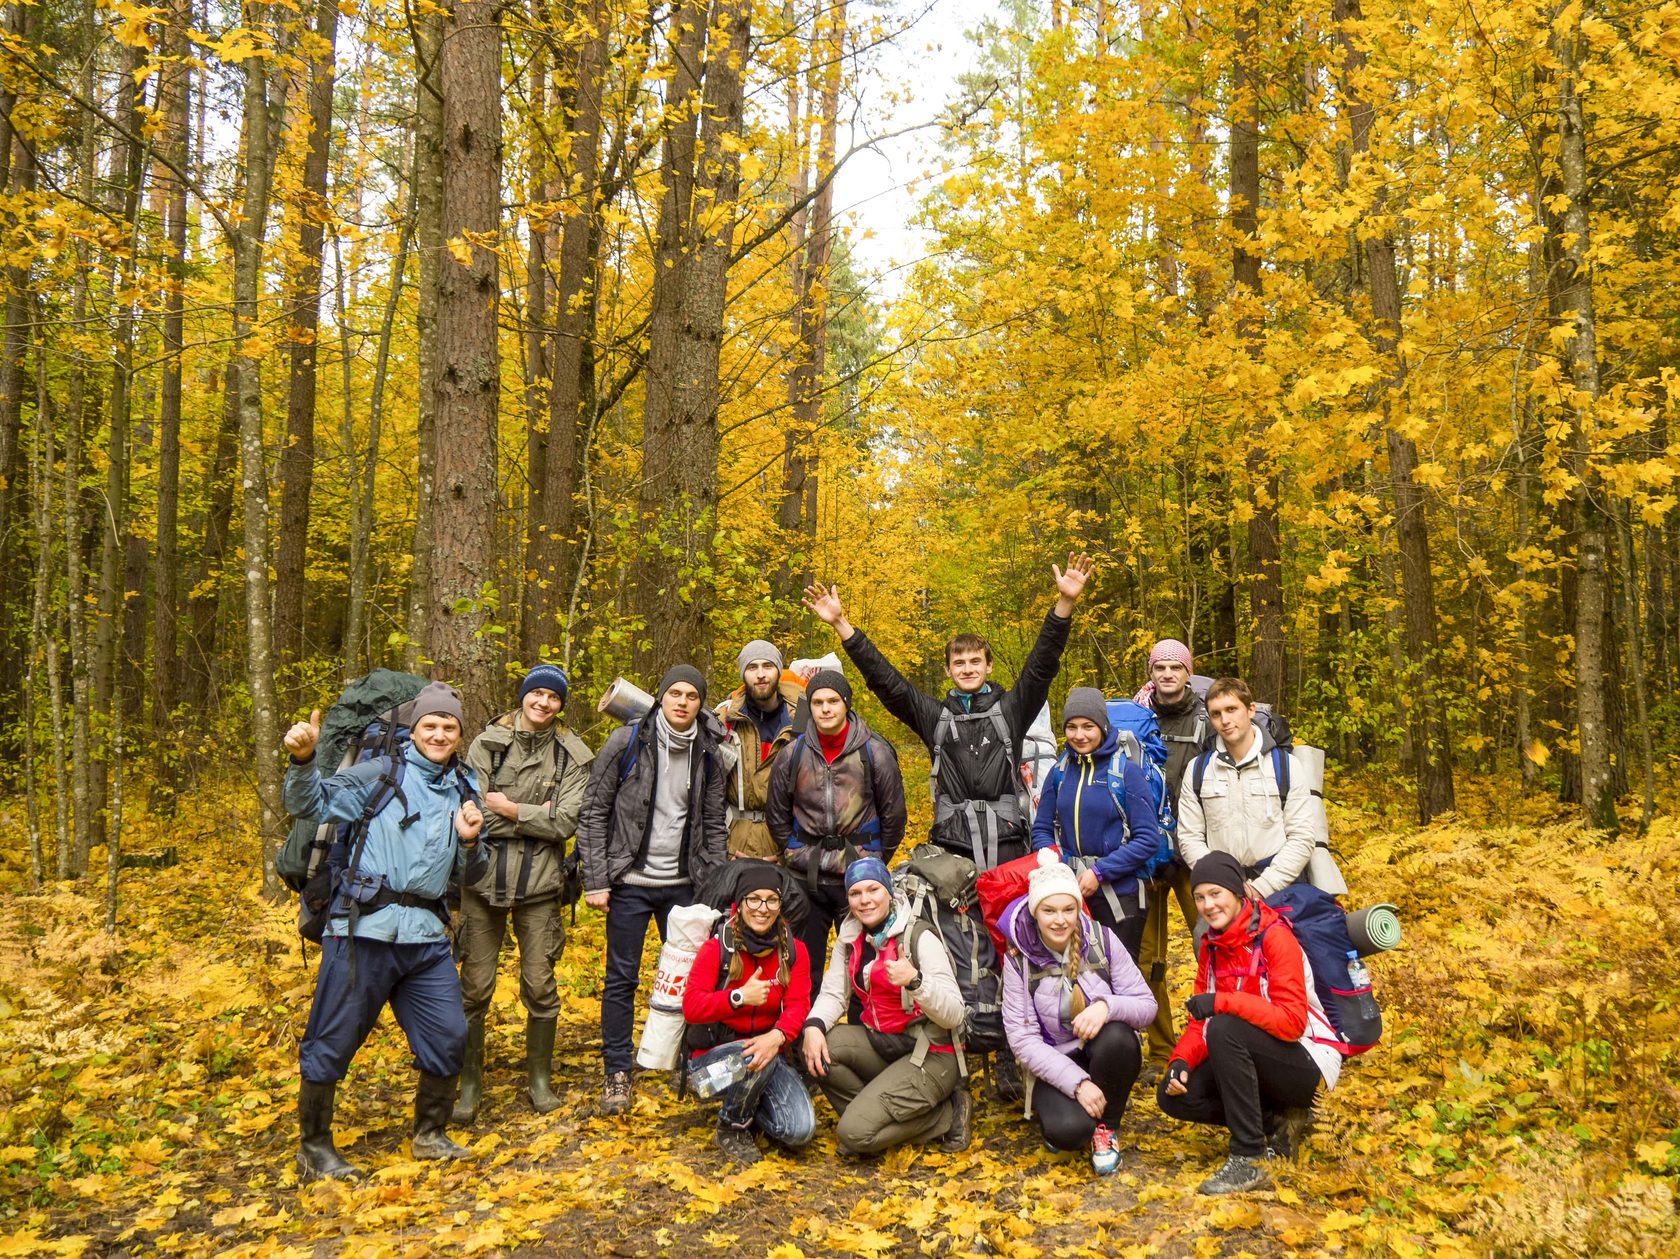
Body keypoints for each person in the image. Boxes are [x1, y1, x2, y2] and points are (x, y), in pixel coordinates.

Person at [282, 682, 485, 1181]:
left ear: (460, 735)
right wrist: (304, 760)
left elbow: (470, 874)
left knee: (449, 1035)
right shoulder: (378, 773)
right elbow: (311, 805)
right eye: (430, 726)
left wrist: (469, 842)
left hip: (427, 938)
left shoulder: (465, 785)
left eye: (449, 727)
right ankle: (314, 1147)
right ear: (413, 731)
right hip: (361, 930)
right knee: (332, 1038)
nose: (439, 734)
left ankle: (430, 1134)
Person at [801, 553, 1093, 873]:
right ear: (948, 669)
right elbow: (886, 682)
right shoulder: (936, 717)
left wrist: (1064, 604)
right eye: (959, 663)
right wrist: (841, 624)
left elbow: (1041, 666)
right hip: (949, 850)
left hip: (1008, 845)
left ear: (988, 666)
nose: (967, 669)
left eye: (975, 662)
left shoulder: (1010, 711)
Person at [577, 665, 729, 1116]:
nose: (682, 702)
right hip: (628, 882)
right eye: (674, 694)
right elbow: (593, 811)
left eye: (691, 696)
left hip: (684, 886)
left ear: (701, 704)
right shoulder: (625, 743)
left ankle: (684, 1060)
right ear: (660, 698)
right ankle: (617, 1071)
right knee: (620, 979)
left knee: (692, 979)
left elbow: (715, 824)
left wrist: (714, 884)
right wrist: (596, 879)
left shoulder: (709, 753)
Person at [454, 664, 595, 1122]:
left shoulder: (572, 754)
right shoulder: (486, 744)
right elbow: (472, 812)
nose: (543, 703)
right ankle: (468, 1084)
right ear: (523, 697)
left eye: (553, 697)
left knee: (540, 984)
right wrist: (538, 815)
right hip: (481, 880)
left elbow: (569, 820)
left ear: (560, 704)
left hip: (540, 886)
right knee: (474, 987)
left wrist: (511, 807)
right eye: (536, 694)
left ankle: (539, 1080)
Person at [1156, 852, 1340, 1194]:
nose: (1208, 905)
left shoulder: (1274, 937)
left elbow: (1291, 1022)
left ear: (1238, 893)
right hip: (1253, 1054)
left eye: (1216, 894)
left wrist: (1223, 1002)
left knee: (1226, 1028)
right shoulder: (1212, 946)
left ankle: (1249, 1157)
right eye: (1200, 897)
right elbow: (1200, 1022)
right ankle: (1280, 1124)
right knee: (1173, 1097)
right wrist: (1178, 1062)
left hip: (1307, 1061)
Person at [801, 858, 971, 1157]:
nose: (865, 900)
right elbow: (833, 993)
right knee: (821, 1049)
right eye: (855, 893)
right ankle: (874, 1117)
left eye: (873, 889)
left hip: (931, 1052)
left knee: (853, 1133)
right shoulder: (851, 933)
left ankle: (947, 1114)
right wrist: (813, 1026)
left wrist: (916, 982)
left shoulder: (918, 935)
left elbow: (954, 1014)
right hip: (884, 1044)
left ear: (888, 891)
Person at [999, 854, 1156, 1174]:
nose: (1060, 920)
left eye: (1068, 909)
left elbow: (1146, 1005)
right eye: (1049, 911)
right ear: (1035, 912)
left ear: (1078, 908)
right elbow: (1022, 1040)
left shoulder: (1102, 940)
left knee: (1118, 1036)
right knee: (1068, 1133)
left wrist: (1106, 1006)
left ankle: (1106, 1128)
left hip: (1104, 1051)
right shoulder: (1019, 959)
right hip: (1054, 1060)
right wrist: (1078, 1084)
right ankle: (1079, 1118)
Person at [765, 669, 907, 1007]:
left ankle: (862, 1045)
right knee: (805, 968)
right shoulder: (792, 754)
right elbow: (777, 813)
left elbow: (894, 815)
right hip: (805, 876)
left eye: (833, 701)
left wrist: (871, 862)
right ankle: (804, 1048)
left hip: (857, 879)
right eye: (817, 702)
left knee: (863, 967)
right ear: (809, 707)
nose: (825, 709)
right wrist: (792, 849)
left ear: (846, 704)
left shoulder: (874, 752)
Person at [681, 865, 816, 1164]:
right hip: (709, 1069)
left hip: (766, 1054)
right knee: (754, 1055)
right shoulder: (717, 947)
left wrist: (777, 1036)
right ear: (740, 904)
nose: (762, 909)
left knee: (800, 1130)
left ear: (780, 905)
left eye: (771, 900)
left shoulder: (794, 951)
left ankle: (749, 1103)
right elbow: (691, 1006)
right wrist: (738, 997)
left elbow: (797, 1006)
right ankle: (731, 1125)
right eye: (753, 899)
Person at [1028, 687, 1161, 961]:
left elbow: (1147, 838)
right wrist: (1053, 864)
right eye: (1072, 727)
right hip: (1069, 892)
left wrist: (1100, 873)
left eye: (1088, 726)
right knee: (1074, 975)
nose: (1079, 735)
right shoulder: (1060, 771)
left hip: (1120, 897)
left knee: (1119, 979)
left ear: (1102, 726)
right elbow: (1041, 828)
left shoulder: (1126, 771)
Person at [1133, 639, 1213, 1063]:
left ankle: (1214, 1041)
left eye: (1175, 668)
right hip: (1146, 854)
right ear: (1151, 672)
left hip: (1193, 853)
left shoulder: (1207, 719)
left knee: (1211, 945)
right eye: (1159, 667)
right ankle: (1162, 1050)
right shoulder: (1134, 717)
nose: (1166, 674)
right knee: (1149, 958)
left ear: (1188, 672)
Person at [1175, 678, 1326, 897]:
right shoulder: (1198, 769)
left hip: (1282, 889)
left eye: (1232, 709)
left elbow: (1301, 837)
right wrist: (1223, 883)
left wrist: (1261, 887)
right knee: (1202, 933)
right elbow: (1190, 838)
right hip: (1222, 891)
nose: (1225, 720)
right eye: (1216, 714)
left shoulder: (1285, 766)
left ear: (1250, 709)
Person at [716, 640, 807, 860]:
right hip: (733, 843)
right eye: (752, 667)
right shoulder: (724, 720)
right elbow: (709, 793)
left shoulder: (804, 720)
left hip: (785, 843)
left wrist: (791, 852)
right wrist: (720, 850)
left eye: (767, 666)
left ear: (778, 670)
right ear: (742, 674)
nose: (760, 674)